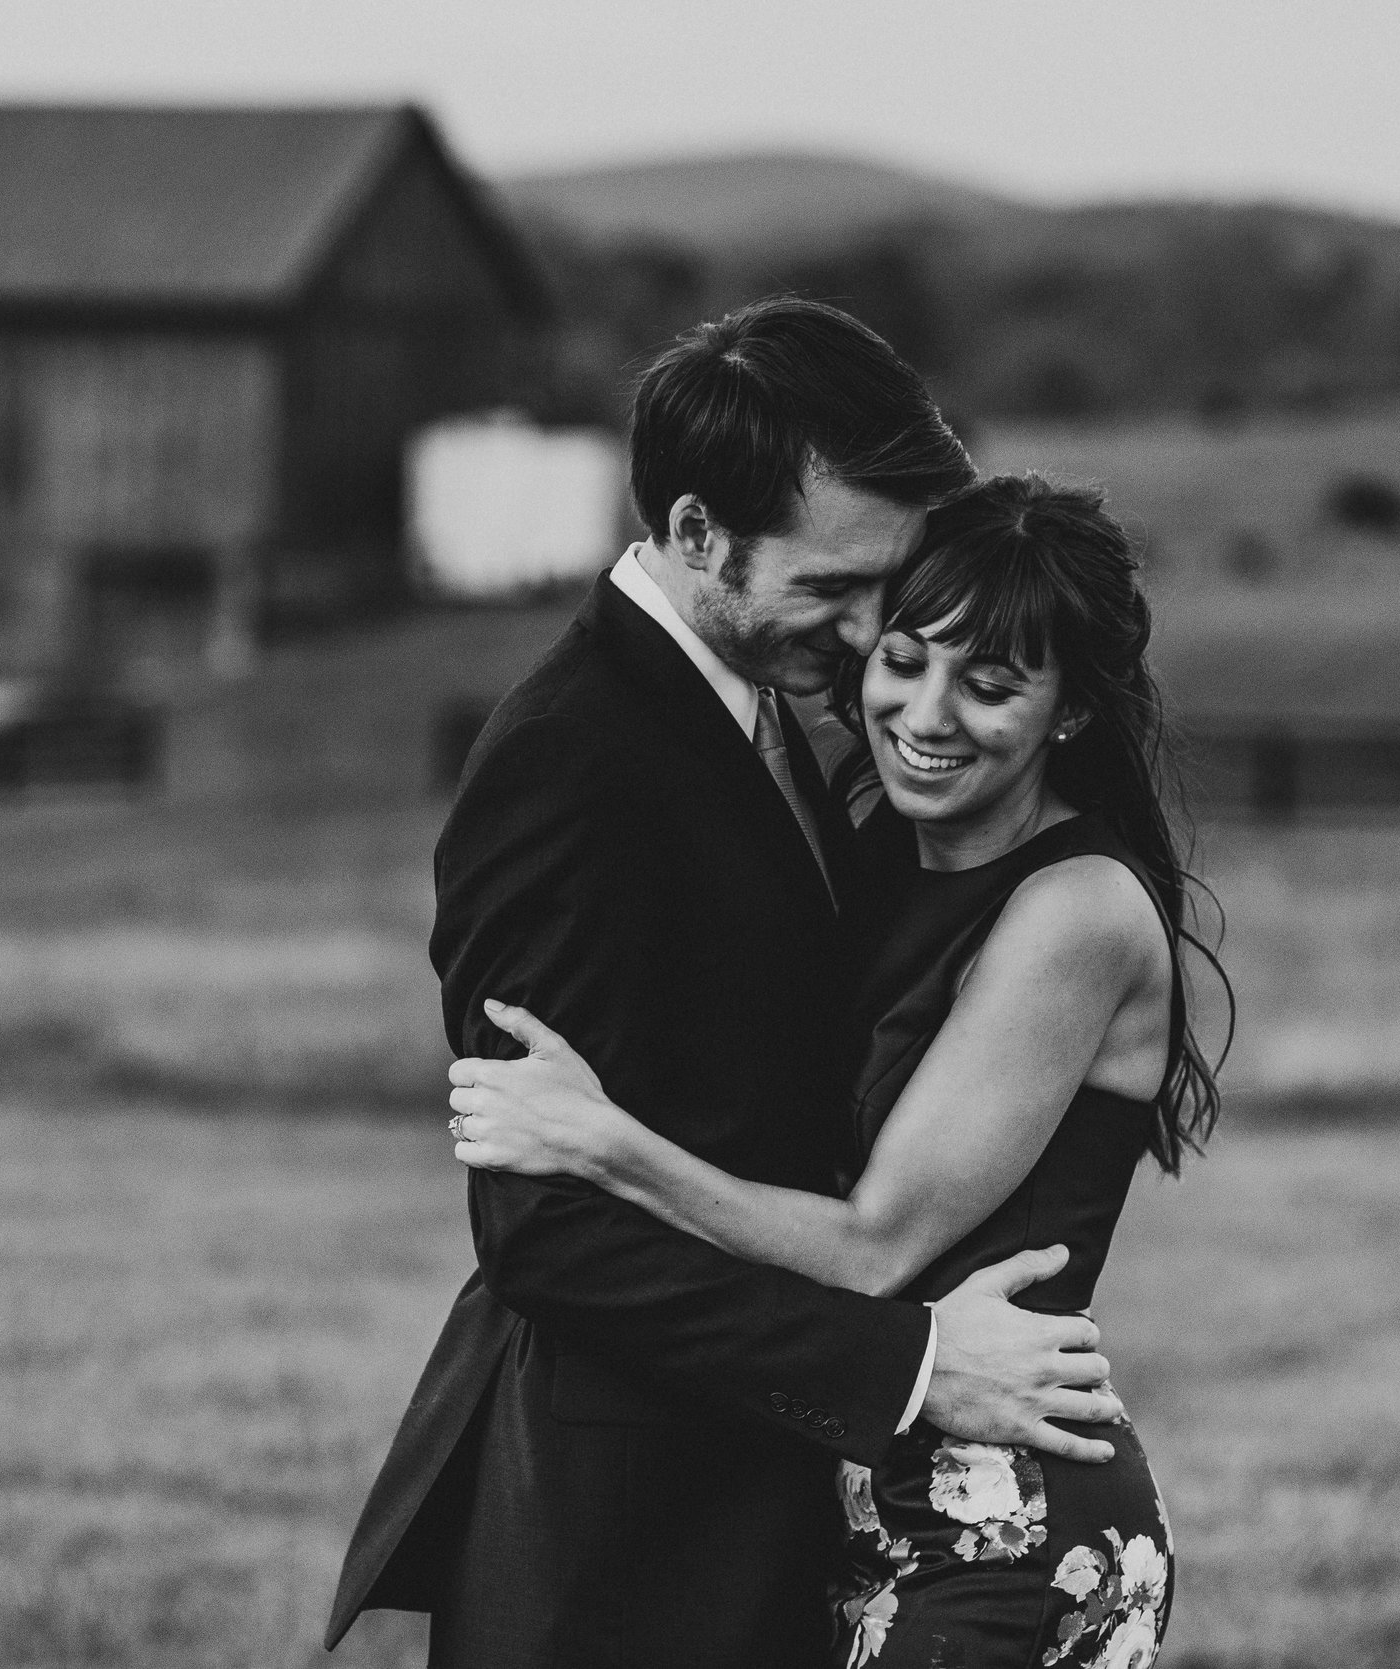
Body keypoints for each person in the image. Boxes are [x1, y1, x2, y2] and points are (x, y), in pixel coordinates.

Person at [325, 298, 1125, 1669]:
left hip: (761, 1493)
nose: (876, 629)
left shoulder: (762, 711)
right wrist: (916, 1367)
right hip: (624, 1530)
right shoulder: (572, 761)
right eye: (835, 587)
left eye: (891, 578)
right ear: (700, 534)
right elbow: (546, 1232)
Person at [446, 472, 1223, 1667]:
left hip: (1004, 1536)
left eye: (991, 684)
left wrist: (602, 1142)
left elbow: (875, 1244)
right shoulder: (875, 857)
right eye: (903, 658)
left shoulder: (1077, 910)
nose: (926, 711)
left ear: (1068, 713)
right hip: (844, 1509)